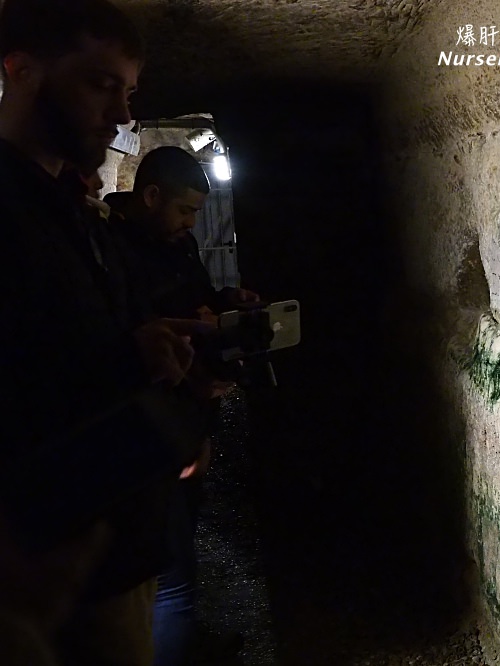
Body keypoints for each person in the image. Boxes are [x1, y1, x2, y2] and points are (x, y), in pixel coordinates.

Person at [0, 1, 210, 664]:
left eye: (130, 92)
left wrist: (153, 342)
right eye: (100, 84)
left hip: (111, 549)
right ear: (21, 70)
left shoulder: (74, 208)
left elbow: (76, 336)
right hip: (45, 571)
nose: (122, 114)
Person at [107, 145, 259, 665]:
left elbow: (195, 297)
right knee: (168, 569)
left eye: (197, 212)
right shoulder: (108, 250)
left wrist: (225, 303)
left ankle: (185, 641)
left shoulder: (178, 243)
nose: (192, 222)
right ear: (151, 197)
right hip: (151, 426)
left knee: (182, 542)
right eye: (184, 210)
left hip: (188, 416)